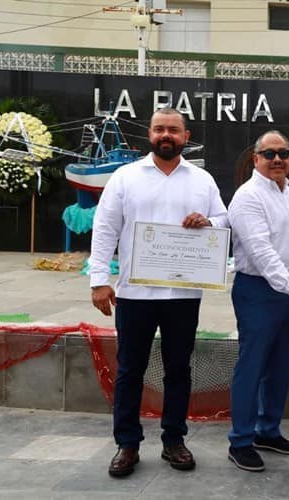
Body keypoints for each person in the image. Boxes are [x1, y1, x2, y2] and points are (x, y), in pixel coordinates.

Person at [90, 107, 229, 477]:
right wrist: (100, 279)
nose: (166, 135)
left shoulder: (201, 180)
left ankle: (173, 440)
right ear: (149, 134)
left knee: (179, 369)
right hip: (135, 294)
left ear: (186, 135)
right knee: (130, 370)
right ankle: (127, 444)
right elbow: (104, 229)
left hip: (183, 293)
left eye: (173, 130)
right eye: (159, 129)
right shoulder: (125, 177)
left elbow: (225, 218)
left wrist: (209, 221)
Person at [226, 130, 289, 472]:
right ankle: (240, 440)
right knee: (252, 366)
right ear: (255, 159)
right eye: (269, 154)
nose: (277, 159)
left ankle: (268, 430)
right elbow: (261, 252)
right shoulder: (247, 196)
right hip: (258, 290)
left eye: (283, 152)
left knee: (281, 365)